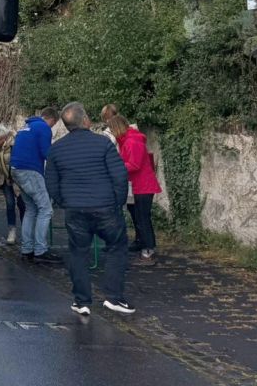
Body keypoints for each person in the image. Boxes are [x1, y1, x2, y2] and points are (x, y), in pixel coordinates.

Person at [45, 102, 134, 316]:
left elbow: (51, 182)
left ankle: (82, 301)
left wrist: (63, 201)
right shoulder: (103, 144)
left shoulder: (56, 149)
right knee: (116, 246)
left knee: (78, 252)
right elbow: (120, 175)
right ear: (85, 120)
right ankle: (114, 297)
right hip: (105, 207)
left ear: (66, 125)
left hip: (75, 209)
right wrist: (118, 201)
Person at [104, 108, 161, 265]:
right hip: (135, 185)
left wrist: (116, 166)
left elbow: (134, 164)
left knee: (143, 218)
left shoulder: (132, 141)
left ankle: (148, 251)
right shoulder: (128, 140)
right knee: (137, 216)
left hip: (142, 186)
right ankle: (142, 244)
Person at [10, 107, 61, 263]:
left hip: (16, 169)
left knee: (31, 209)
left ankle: (27, 249)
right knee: (45, 209)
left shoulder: (26, 127)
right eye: (53, 124)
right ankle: (40, 250)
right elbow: (46, 153)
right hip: (31, 170)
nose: (52, 127)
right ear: (51, 119)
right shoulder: (44, 128)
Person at [0, 123, 26, 245]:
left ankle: (26, 233)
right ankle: (11, 231)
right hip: (5, 180)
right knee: (10, 205)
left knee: (22, 205)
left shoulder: (14, 145)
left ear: (3, 138)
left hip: (18, 180)